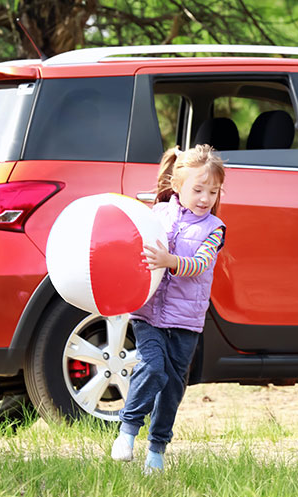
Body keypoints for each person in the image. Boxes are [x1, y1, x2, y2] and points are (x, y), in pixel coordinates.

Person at [110, 144, 226, 472]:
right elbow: (132, 250)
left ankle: (157, 450)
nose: (205, 198)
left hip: (185, 321)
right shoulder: (155, 215)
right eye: (198, 189)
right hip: (147, 314)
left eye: (212, 191)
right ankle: (128, 430)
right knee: (153, 368)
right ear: (177, 187)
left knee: (173, 387)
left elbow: (201, 264)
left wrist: (171, 261)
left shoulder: (214, 229)